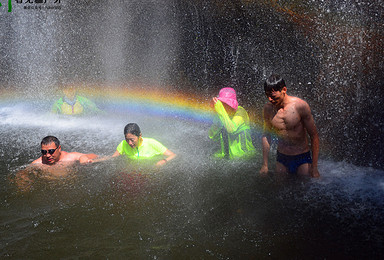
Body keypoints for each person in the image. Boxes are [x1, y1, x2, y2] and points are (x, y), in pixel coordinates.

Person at [259, 74, 320, 178]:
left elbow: (314, 136)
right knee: (279, 188)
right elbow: (266, 135)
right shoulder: (268, 109)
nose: (270, 99)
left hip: (302, 157)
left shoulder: (300, 106)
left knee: (304, 188)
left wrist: (314, 168)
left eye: (273, 96)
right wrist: (265, 165)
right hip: (282, 157)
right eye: (267, 95)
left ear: (284, 89)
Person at [15, 136, 98, 191]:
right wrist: (23, 181)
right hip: (52, 189)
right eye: (44, 152)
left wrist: (84, 157)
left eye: (51, 151)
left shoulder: (70, 157)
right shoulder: (38, 163)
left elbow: (95, 155)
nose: (47, 155)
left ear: (59, 149)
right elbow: (23, 172)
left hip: (74, 187)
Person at [209, 87, 257, 159]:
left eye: (226, 103)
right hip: (227, 155)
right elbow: (213, 136)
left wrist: (220, 110)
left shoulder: (241, 112)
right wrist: (216, 112)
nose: (224, 106)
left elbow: (231, 129)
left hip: (244, 155)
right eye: (222, 103)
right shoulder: (222, 113)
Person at [111, 123, 176, 166]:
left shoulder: (151, 143)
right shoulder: (123, 144)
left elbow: (173, 155)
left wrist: (163, 161)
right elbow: (113, 158)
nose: (129, 143)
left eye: (132, 140)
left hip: (151, 168)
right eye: (127, 139)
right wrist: (101, 159)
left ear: (140, 136)